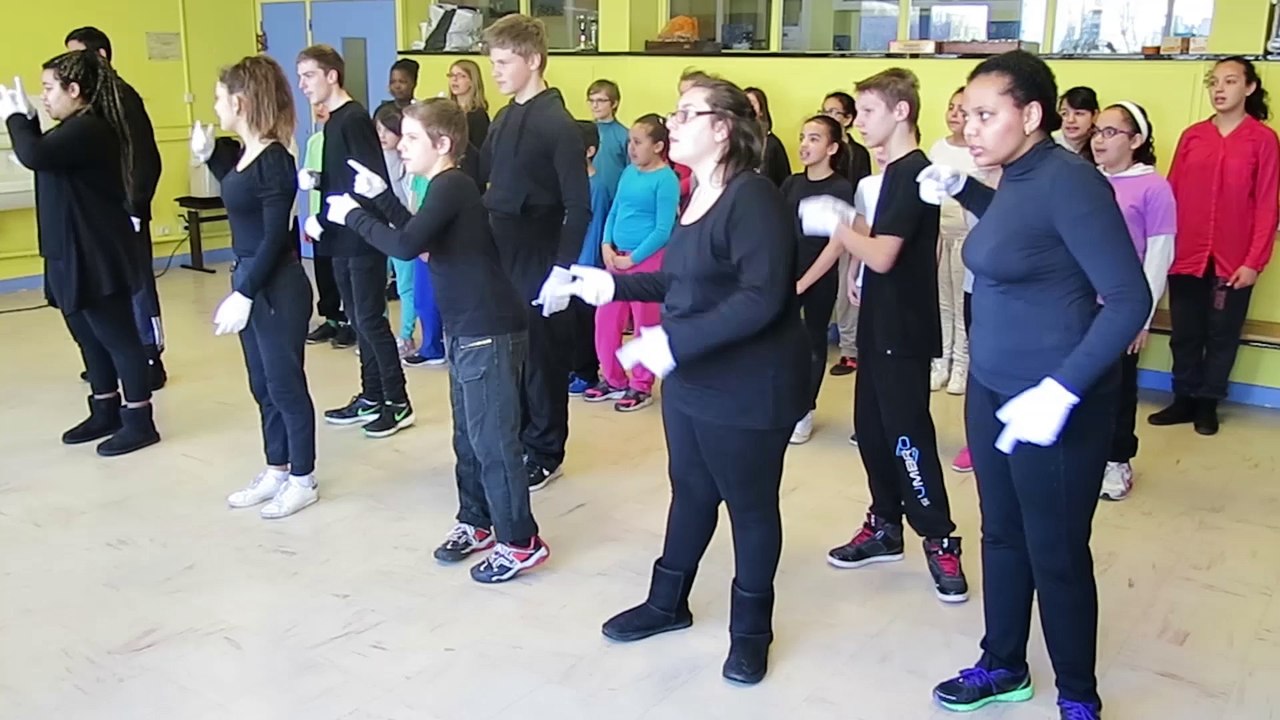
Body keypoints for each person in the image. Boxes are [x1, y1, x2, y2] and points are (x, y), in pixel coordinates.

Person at [534, 73, 807, 686]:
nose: (673, 123)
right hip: (692, 377)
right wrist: (602, 283)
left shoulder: (753, 197)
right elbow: (684, 278)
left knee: (750, 507)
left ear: (722, 128)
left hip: (748, 383)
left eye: (687, 114)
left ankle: (751, 632)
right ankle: (667, 602)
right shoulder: (697, 193)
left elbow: (762, 297)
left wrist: (672, 340)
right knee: (690, 489)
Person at [917, 50, 1151, 720]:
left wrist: (1063, 389)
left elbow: (1129, 300)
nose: (971, 129)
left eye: (986, 115)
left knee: (1056, 550)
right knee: (1002, 534)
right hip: (995, 387)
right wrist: (960, 189)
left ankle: (1078, 692)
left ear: (1031, 114)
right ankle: (1003, 664)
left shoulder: (1071, 181)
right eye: (967, 115)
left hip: (1056, 396)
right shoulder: (1016, 175)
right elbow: (1025, 234)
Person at [328, 98, 548, 583]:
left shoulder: (452, 186)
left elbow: (405, 247)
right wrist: (382, 197)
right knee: (468, 437)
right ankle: (477, 521)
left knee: (493, 442)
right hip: (467, 329)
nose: (401, 146)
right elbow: (422, 239)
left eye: (410, 138)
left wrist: (354, 217)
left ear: (442, 144)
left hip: (487, 330)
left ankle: (520, 541)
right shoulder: (442, 188)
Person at [800, 68, 968, 604]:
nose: (861, 121)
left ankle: (940, 538)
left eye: (869, 111)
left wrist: (837, 224)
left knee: (907, 437)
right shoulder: (891, 175)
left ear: (901, 112)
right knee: (870, 431)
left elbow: (885, 252)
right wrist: (853, 242)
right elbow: (886, 248)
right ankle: (885, 524)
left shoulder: (916, 172)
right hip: (880, 320)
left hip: (904, 330)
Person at [2, 51, 161, 456]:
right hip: (66, 250)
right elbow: (45, 155)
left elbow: (34, 155)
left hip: (94, 250)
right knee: (88, 337)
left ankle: (139, 420)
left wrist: (17, 119)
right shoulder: (68, 129)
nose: (45, 97)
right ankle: (104, 407)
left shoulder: (91, 128)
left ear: (75, 90)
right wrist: (32, 123)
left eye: (49, 89)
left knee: (117, 337)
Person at [191, 55, 318, 518]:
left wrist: (245, 291)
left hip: (275, 285)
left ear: (240, 102)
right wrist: (210, 156)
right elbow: (239, 191)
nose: (215, 106)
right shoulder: (245, 154)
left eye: (220, 98)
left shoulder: (275, 160)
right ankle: (277, 467)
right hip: (250, 277)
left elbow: (271, 236)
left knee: (285, 385)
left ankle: (303, 477)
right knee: (262, 384)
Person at [479, 14, 590, 491]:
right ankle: (520, 436)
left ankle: (546, 449)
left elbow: (578, 207)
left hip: (541, 253)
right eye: (494, 62)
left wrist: (561, 271)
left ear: (533, 60)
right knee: (511, 357)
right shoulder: (504, 117)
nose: (497, 71)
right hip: (501, 252)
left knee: (542, 357)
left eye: (504, 62)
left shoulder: (558, 124)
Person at [1150, 56, 1279, 436]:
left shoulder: (1263, 140)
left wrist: (1254, 261)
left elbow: (1268, 204)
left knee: (1222, 334)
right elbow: (1171, 193)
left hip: (1234, 260)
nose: (1219, 89)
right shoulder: (1193, 136)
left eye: (1230, 81)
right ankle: (1183, 398)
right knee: (1185, 332)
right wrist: (1164, 247)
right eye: (1214, 82)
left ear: (1249, 88)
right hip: (1187, 254)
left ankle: (1208, 403)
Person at [297, 45, 413, 439]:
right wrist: (319, 188)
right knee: (357, 319)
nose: (303, 85)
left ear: (332, 75)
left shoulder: (354, 119)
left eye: (309, 75)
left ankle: (397, 401)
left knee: (370, 320)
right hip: (341, 234)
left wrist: (357, 221)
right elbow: (342, 176)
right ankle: (372, 395)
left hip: (362, 237)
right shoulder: (333, 122)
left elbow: (369, 178)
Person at [64, 27, 166, 390]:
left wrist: (136, 206)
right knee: (108, 286)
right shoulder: (91, 101)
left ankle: (150, 357)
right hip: (101, 213)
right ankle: (112, 357)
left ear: (101, 56)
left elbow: (144, 157)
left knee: (137, 284)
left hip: (126, 208)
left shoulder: (122, 97)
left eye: (78, 57)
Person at [1091, 101, 1176, 501]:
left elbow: (1159, 254)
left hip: (1120, 307)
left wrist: (1140, 317)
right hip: (1078, 303)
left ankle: (1116, 461)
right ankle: (1084, 458)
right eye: (1097, 131)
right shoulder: (1087, 180)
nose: (1099, 140)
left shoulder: (1153, 187)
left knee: (1118, 388)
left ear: (1136, 140)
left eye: (1111, 132)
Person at [585, 113, 679, 412]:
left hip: (647, 260)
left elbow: (663, 230)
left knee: (645, 325)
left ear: (658, 146)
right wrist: (606, 245)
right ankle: (613, 379)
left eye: (638, 142)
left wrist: (634, 259)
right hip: (616, 256)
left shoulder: (666, 179)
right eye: (630, 142)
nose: (631, 148)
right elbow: (615, 210)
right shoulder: (628, 172)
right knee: (605, 320)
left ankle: (641, 385)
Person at [787, 114, 854, 444]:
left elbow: (837, 245)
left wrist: (802, 283)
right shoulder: (792, 184)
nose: (804, 144)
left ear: (832, 147)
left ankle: (804, 410)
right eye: (803, 136)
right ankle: (783, 403)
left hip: (818, 277)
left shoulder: (841, 188)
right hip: (787, 273)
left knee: (813, 342)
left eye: (814, 138)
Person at [928, 87, 981, 396]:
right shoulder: (938, 147)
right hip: (939, 232)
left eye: (963, 109)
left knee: (962, 305)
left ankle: (961, 365)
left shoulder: (977, 149)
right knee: (941, 302)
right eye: (951, 107)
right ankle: (940, 362)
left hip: (966, 235)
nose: (955, 114)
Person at [821, 90, 872, 377]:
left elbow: (857, 195)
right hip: (824, 227)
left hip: (848, 228)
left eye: (836, 112)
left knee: (845, 290)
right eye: (825, 110)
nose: (829, 115)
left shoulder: (857, 152)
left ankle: (850, 350)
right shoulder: (823, 147)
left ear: (849, 119)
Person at [301, 101, 355, 348]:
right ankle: (331, 318)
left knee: (342, 270)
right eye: (316, 106)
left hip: (340, 215)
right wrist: (310, 218)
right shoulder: (314, 141)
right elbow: (310, 185)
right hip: (319, 216)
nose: (320, 110)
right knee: (323, 270)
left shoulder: (344, 137)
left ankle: (348, 321)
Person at [568, 120, 614, 395]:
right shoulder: (572, 183)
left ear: (589, 151)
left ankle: (587, 372)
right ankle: (573, 367)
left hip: (585, 264)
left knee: (584, 323)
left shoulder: (597, 186)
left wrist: (582, 264)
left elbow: (594, 229)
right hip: (569, 262)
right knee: (569, 322)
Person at [373, 103, 419, 358]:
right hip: (379, 231)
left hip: (401, 232)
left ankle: (405, 336)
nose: (382, 135)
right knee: (376, 284)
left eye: (387, 130)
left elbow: (409, 201)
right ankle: (380, 336)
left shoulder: (407, 162)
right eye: (378, 129)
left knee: (405, 288)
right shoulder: (374, 159)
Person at [446, 58, 489, 187]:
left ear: (472, 82)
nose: (454, 80)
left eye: (461, 76)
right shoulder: (447, 112)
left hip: (469, 179)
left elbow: (480, 155)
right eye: (452, 75)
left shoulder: (478, 115)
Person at [586, 79, 629, 194]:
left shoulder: (624, 135)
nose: (595, 105)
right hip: (588, 195)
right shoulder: (583, 132)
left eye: (600, 101)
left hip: (613, 197)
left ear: (614, 103)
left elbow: (630, 169)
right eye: (591, 100)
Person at [744, 87, 791, 186]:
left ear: (761, 110)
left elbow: (784, 180)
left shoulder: (772, 144)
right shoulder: (736, 141)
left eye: (751, 103)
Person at [1055, 86, 1098, 162]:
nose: (1070, 120)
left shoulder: (1101, 145)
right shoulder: (1051, 146)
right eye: (1064, 113)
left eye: (1079, 113)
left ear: (1095, 115)